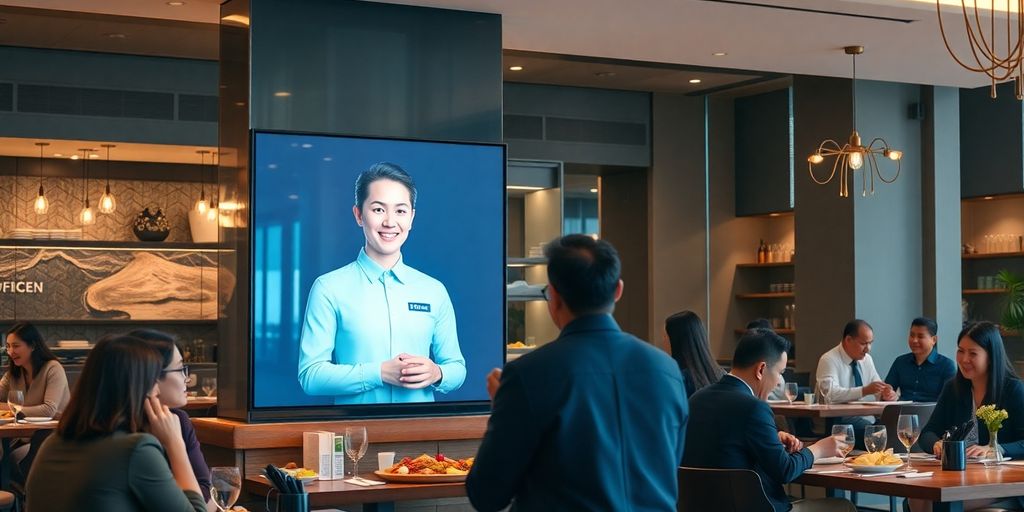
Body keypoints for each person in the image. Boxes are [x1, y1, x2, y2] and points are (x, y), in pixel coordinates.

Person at [466, 235, 688, 511]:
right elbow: (670, 465)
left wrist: (504, 406)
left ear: (554, 296)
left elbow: (487, 495)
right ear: (618, 290)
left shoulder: (528, 374)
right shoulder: (667, 370)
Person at [297, 162, 466, 404]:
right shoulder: (328, 288)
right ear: (358, 215)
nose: (390, 222)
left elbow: (457, 367)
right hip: (357, 427)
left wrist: (437, 373)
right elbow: (310, 376)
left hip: (420, 426)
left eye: (400, 211)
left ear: (411, 218)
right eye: (378, 209)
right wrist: (379, 373)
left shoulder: (434, 290)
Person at [25, 334, 206, 511]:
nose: (157, 390)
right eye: (152, 381)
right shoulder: (136, 449)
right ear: (137, 385)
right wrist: (175, 444)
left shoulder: (51, 443)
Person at [684, 330, 853, 512]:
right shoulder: (754, 408)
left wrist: (772, 437)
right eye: (780, 372)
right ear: (761, 369)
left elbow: (725, 446)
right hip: (752, 508)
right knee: (843, 507)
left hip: (698, 507)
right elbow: (785, 471)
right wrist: (819, 449)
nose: (780, 381)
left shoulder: (696, 399)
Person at [912, 322, 1024, 512]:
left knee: (935, 503)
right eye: (960, 351)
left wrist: (995, 448)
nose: (964, 359)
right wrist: (936, 444)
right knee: (916, 498)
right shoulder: (953, 388)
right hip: (960, 477)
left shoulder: (1013, 390)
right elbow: (928, 433)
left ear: (991, 357)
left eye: (973, 353)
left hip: (1002, 484)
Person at [130, 329, 214, 511]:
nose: (187, 378)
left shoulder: (179, 420)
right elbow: (199, 506)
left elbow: (206, 490)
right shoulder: (129, 441)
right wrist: (174, 444)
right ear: (152, 377)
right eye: (180, 369)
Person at [815, 319, 896, 445]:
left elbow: (877, 388)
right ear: (848, 340)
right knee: (879, 437)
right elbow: (829, 394)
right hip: (841, 421)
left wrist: (886, 394)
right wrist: (864, 391)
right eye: (863, 344)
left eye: (870, 343)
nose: (868, 349)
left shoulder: (867, 359)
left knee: (895, 431)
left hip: (868, 419)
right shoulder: (829, 359)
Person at [1, 322, 70, 420]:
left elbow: (49, 410)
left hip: (54, 428)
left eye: (16, 346)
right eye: (8, 346)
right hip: (22, 428)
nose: (11, 352)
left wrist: (12, 408)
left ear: (32, 346)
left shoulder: (53, 368)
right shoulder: (11, 375)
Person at [883, 317, 956, 402]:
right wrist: (888, 394)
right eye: (912, 335)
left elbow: (951, 400)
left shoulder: (946, 365)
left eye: (920, 336)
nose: (914, 340)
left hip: (933, 410)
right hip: (903, 409)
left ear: (934, 340)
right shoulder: (900, 362)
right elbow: (886, 391)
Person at [665, 310, 724, 397]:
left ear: (675, 341)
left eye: (665, 337)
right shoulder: (721, 374)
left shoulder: (676, 379)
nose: (663, 341)